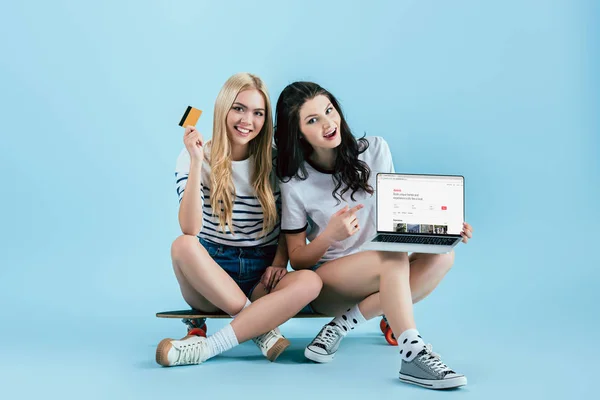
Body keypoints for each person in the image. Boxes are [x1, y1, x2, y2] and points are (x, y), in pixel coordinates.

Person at [274, 81, 474, 389]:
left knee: (443, 255)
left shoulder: (375, 149)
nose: (328, 124)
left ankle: (341, 326)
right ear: (298, 133)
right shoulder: (295, 182)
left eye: (329, 111)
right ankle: (412, 353)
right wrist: (329, 235)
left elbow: (397, 217)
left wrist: (442, 226)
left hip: (384, 268)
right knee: (389, 256)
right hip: (333, 284)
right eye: (313, 120)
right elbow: (299, 260)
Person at [156, 73, 322, 367]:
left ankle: (223, 337)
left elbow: (290, 223)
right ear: (223, 109)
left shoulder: (275, 160)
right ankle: (259, 329)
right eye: (239, 108)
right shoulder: (194, 155)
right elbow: (190, 228)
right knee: (182, 245)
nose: (248, 120)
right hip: (211, 276)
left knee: (310, 281)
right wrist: (196, 162)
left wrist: (278, 262)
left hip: (263, 274)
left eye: (258, 113)